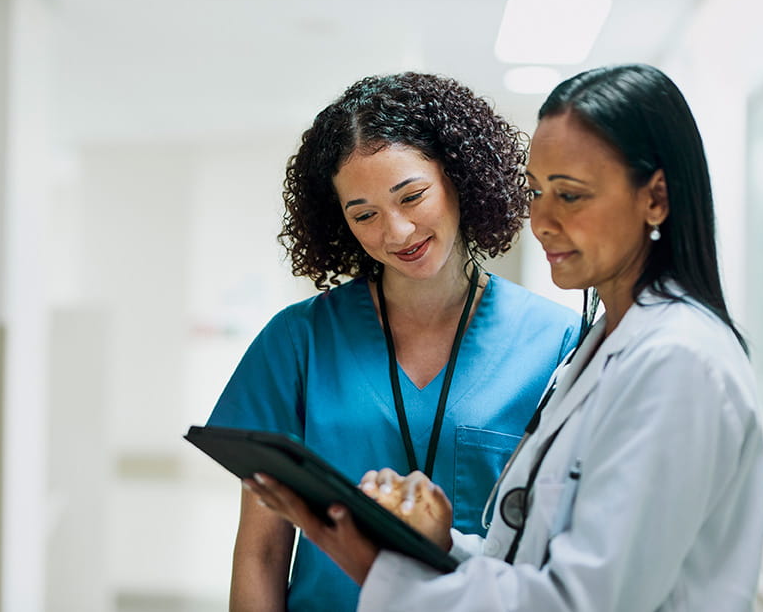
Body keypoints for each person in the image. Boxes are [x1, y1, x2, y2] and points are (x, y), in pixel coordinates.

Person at [245, 64, 763, 611]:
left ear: (655, 199)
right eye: (537, 190)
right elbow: (527, 561)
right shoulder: (604, 352)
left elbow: (580, 600)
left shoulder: (676, 362)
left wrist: (374, 566)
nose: (541, 220)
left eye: (570, 195)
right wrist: (439, 545)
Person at [207, 71, 580, 612]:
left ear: (459, 178)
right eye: (365, 214)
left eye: (413, 196)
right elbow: (261, 553)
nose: (397, 232)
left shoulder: (557, 342)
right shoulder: (297, 342)